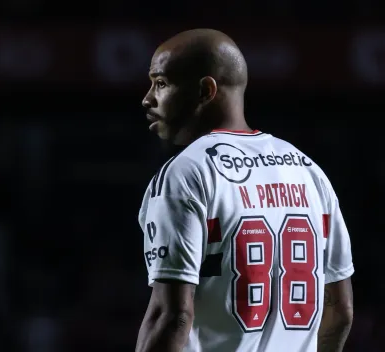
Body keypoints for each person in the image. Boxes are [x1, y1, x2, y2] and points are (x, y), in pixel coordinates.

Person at [136, 29, 354, 352]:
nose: (148, 98)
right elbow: (340, 312)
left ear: (205, 90)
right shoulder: (310, 173)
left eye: (162, 83)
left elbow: (173, 317)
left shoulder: (187, 173)